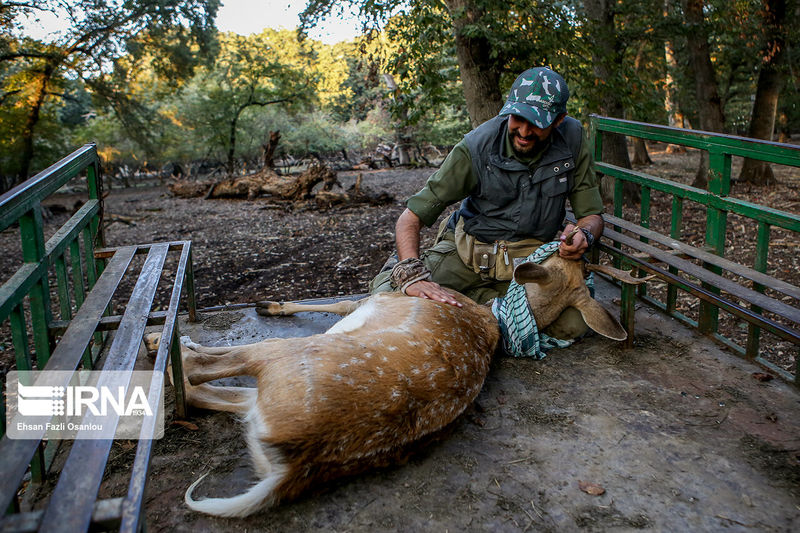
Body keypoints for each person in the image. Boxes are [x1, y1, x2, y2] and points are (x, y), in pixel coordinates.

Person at [369, 67, 604, 340]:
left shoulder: (573, 139)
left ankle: (478, 304)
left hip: (526, 266)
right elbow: (410, 218)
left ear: (559, 120)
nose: (524, 132)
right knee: (386, 298)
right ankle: (492, 308)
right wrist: (412, 276)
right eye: (518, 118)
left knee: (572, 325)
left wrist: (584, 235)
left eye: (537, 123)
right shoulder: (477, 146)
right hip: (468, 256)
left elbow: (592, 216)